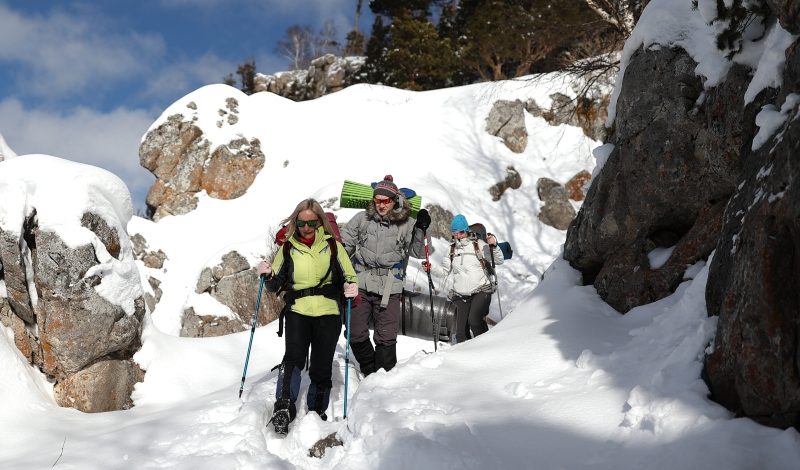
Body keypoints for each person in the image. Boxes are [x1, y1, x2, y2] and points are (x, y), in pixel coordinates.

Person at [256, 198, 359, 434]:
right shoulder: (288, 248)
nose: (306, 228)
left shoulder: (333, 247)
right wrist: (268, 274)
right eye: (301, 223)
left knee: (322, 366)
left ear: (320, 222)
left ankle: (316, 412)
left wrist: (351, 288)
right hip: (298, 311)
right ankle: (283, 408)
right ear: (295, 222)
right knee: (293, 359)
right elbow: (275, 284)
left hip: (328, 312)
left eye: (311, 223)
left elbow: (349, 277)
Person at [341, 175, 430, 375]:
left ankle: (384, 378)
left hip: (390, 285)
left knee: (386, 335)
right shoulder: (362, 218)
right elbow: (345, 244)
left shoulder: (407, 223)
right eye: (377, 200)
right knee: (355, 331)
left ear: (394, 200)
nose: (381, 205)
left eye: (385, 201)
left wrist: (422, 230)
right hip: (361, 280)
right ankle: (369, 370)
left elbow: (419, 251)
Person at [442, 214, 503, 343]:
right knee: (460, 332)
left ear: (467, 231)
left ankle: (485, 347)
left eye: (461, 232)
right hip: (460, 293)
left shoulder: (478, 245)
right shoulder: (451, 249)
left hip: (481, 290)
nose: (458, 236)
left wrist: (494, 246)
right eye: (455, 233)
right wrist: (429, 268)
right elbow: (444, 271)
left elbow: (498, 260)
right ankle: (465, 357)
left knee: (474, 320)